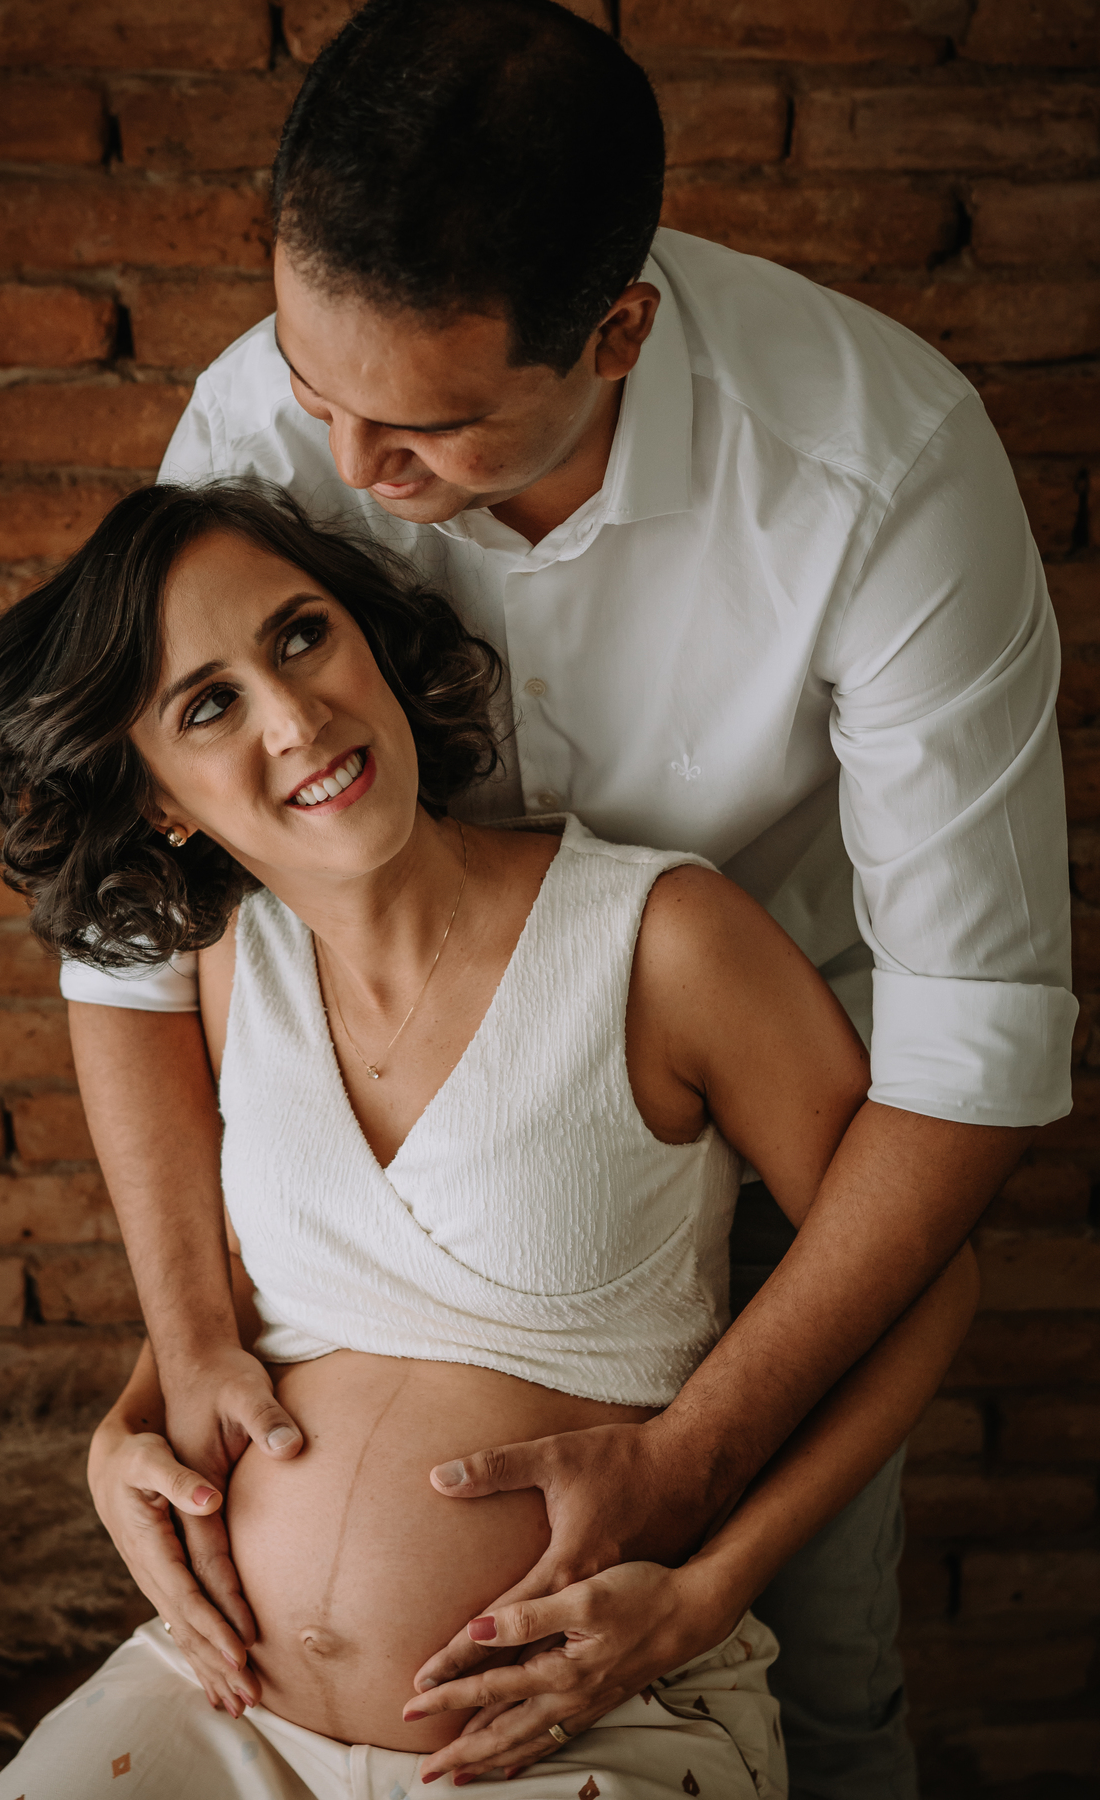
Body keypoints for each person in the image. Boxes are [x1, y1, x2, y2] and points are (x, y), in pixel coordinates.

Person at [55, 3, 1075, 1796]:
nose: (346, 471)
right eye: (316, 391)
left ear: (617, 334)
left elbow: (969, 1049)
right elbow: (137, 934)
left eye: (427, 432)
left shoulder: (882, 465)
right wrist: (192, 1341)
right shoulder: (268, 412)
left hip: (782, 1094)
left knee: (827, 1670)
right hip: (389, 1048)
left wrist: (692, 1473)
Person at [0, 480, 979, 1800]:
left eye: (301, 636)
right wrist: (126, 1425)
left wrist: (710, 1589)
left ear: (371, 642)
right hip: (221, 1704)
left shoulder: (663, 941)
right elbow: (258, 1285)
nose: (295, 717)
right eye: (208, 706)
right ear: (160, 800)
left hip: (582, 1713)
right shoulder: (229, 964)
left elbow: (919, 1274)